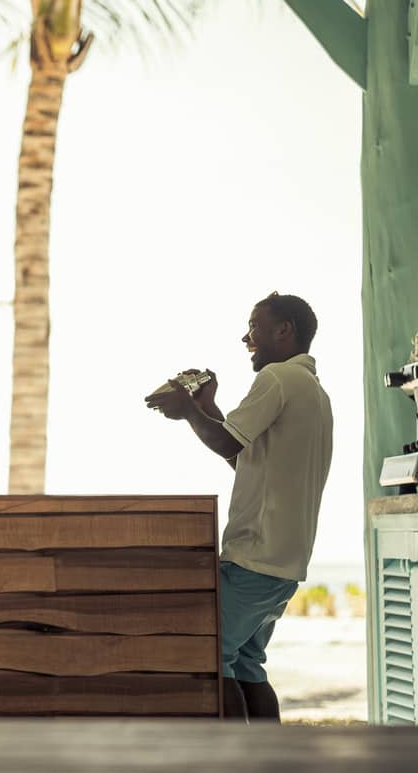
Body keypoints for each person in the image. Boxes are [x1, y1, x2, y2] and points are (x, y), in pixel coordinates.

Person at [145, 292, 333, 722]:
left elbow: (226, 441)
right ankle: (267, 762)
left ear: (284, 331)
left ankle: (235, 762)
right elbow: (246, 460)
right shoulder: (314, 393)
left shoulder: (278, 379)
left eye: (254, 327)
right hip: (285, 564)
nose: (246, 337)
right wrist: (205, 407)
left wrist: (189, 411)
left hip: (254, 559)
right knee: (248, 665)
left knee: (210, 655)